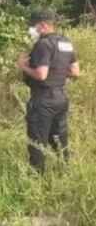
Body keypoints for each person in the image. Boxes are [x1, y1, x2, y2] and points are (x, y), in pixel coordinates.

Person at [16, 10, 81, 173]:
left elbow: (41, 75)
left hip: (43, 99)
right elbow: (75, 73)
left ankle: (36, 178)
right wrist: (57, 70)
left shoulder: (43, 44)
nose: (32, 30)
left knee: (37, 140)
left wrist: (22, 66)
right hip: (61, 98)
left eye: (34, 26)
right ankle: (65, 170)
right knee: (59, 137)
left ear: (43, 25)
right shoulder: (66, 42)